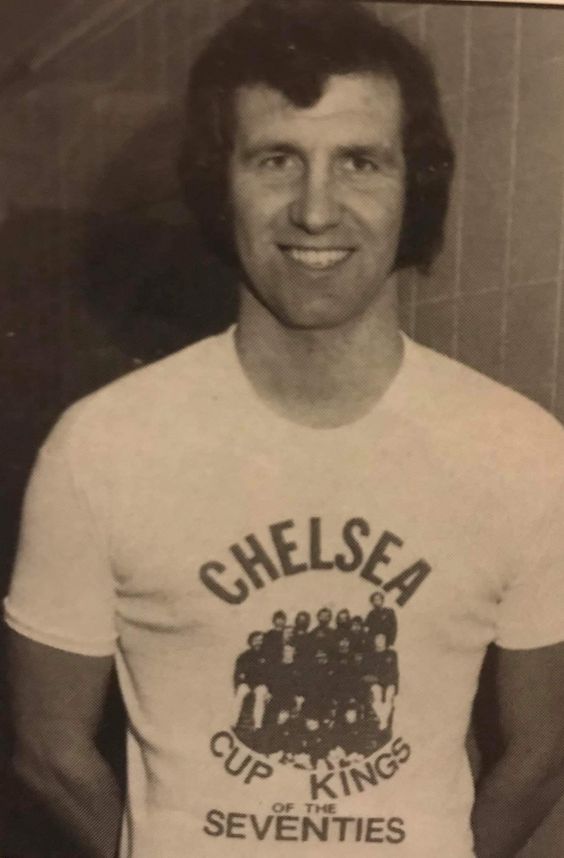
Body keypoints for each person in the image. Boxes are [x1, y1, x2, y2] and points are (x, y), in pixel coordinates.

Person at [5, 1, 564, 856]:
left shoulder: (524, 454)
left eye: (360, 163)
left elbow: (541, 756)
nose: (315, 210)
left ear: (413, 185)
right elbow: (47, 751)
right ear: (216, 178)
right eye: (276, 159)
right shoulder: (100, 449)